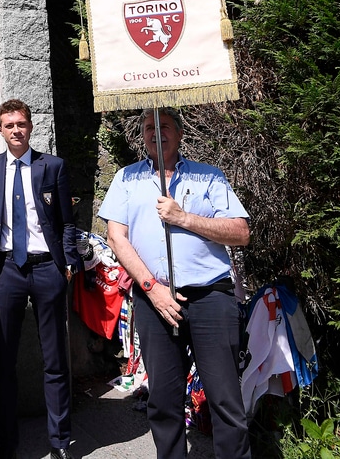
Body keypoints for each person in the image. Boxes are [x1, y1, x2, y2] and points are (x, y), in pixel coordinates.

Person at [98, 108, 251, 459]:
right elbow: (116, 237)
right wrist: (152, 288)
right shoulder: (126, 179)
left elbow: (240, 232)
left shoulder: (208, 177)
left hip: (211, 297)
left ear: (180, 134)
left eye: (164, 126)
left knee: (225, 399)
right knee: (163, 401)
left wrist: (183, 217)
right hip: (154, 299)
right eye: (149, 127)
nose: (156, 133)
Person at [0, 99, 76, 459]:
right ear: (1, 129)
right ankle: (7, 443)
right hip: (7, 269)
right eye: (9, 125)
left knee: (55, 360)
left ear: (31, 126)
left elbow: (68, 221)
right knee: (3, 360)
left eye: (21, 124)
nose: (16, 130)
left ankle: (60, 441)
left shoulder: (52, 166)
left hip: (46, 268)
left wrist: (66, 263)